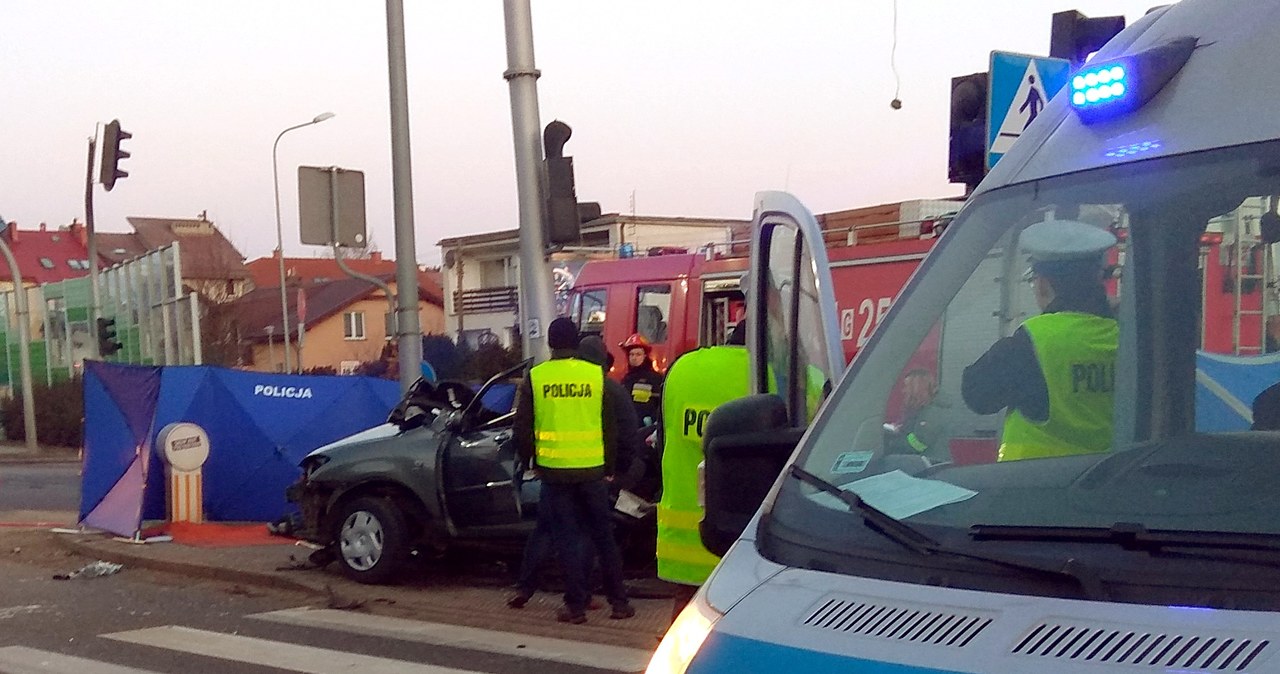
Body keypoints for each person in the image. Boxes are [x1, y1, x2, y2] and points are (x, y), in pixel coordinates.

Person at [962, 220, 1119, 462]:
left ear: (1044, 284)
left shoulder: (1033, 339)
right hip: (1110, 483)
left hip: (1036, 487)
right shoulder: (1126, 336)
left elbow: (977, 394)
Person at [507, 335, 645, 610]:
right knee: (600, 536)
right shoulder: (603, 385)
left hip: (556, 473)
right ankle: (617, 602)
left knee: (555, 532)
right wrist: (614, 471)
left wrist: (531, 463)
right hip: (595, 472)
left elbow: (523, 428)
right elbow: (622, 433)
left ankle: (551, 594)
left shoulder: (542, 378)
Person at [656, 343, 750, 621]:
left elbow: (663, 438)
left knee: (685, 629)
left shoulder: (682, 368)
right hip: (745, 541)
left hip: (684, 538)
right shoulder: (784, 370)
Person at [620, 333, 664, 427]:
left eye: (638, 354)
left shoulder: (655, 378)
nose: (634, 358)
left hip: (645, 428)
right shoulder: (626, 379)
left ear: (645, 356)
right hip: (629, 427)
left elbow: (661, 404)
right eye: (631, 354)